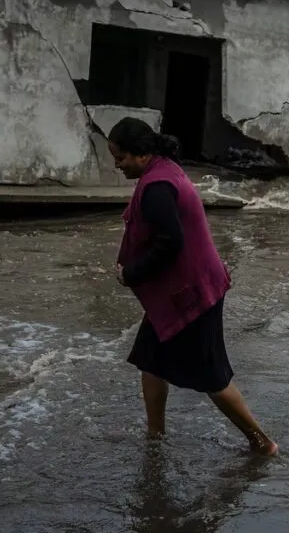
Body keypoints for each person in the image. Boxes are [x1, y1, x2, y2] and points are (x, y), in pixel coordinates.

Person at [108, 117, 278, 456]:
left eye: (121, 157)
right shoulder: (163, 169)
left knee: (212, 376)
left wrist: (132, 273)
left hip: (192, 295)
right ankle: (155, 436)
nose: (117, 165)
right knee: (150, 359)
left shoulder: (157, 188)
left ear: (142, 155)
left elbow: (170, 242)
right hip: (183, 291)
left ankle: (262, 443)